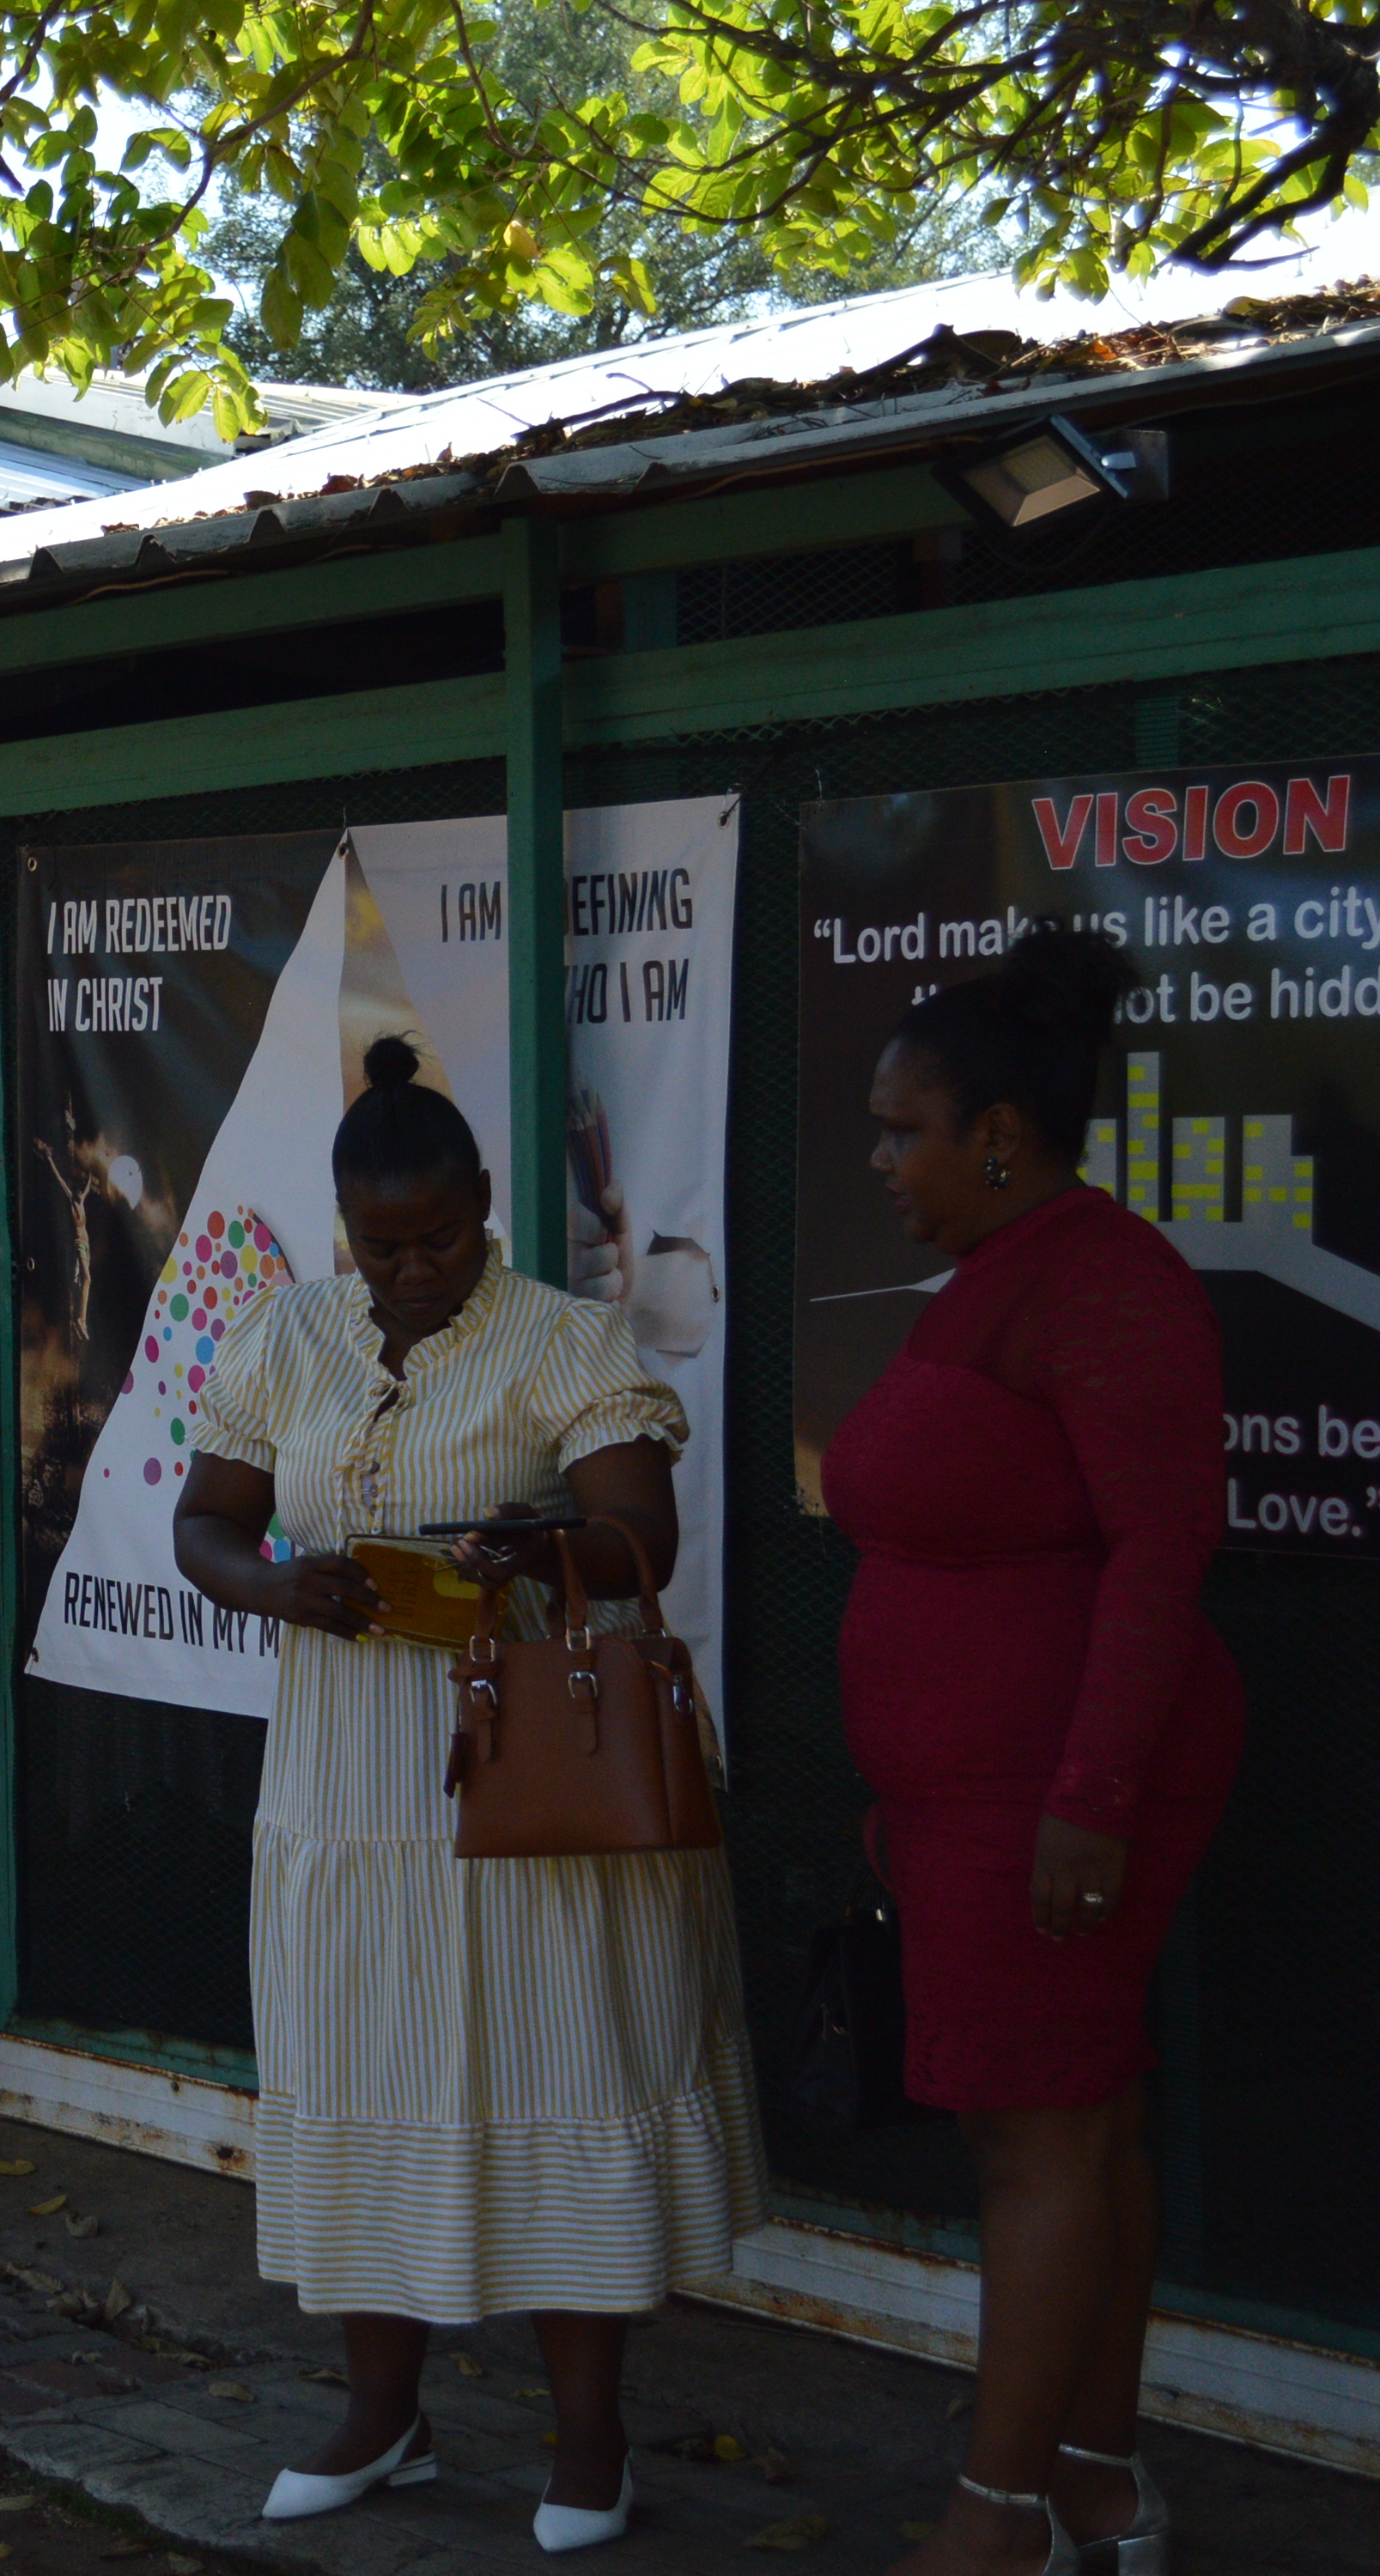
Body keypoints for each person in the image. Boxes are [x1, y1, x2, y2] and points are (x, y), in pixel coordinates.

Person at [169, 1036, 761, 2557]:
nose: (412, 1268)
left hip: (526, 1795)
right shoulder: (287, 1336)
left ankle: (588, 2440)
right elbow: (206, 1522)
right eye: (382, 1245)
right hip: (341, 1793)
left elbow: (643, 1539)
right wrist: (275, 1586)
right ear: (343, 1229)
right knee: (362, 2071)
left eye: (437, 1237)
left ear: (485, 1206)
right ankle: (385, 2418)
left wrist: (533, 1554)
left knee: (550, 2073)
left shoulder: (564, 1340)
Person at [824, 928, 1238, 2576]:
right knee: (1081, 2121)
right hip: (974, 1800)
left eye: (898, 1128)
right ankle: (1093, 2483)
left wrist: (1087, 1801)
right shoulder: (1001, 1278)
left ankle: (997, 2525)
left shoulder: (1107, 1283)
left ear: (997, 1133)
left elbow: (1158, 1556)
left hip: (1057, 1794)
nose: (876, 1159)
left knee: (1043, 2141)